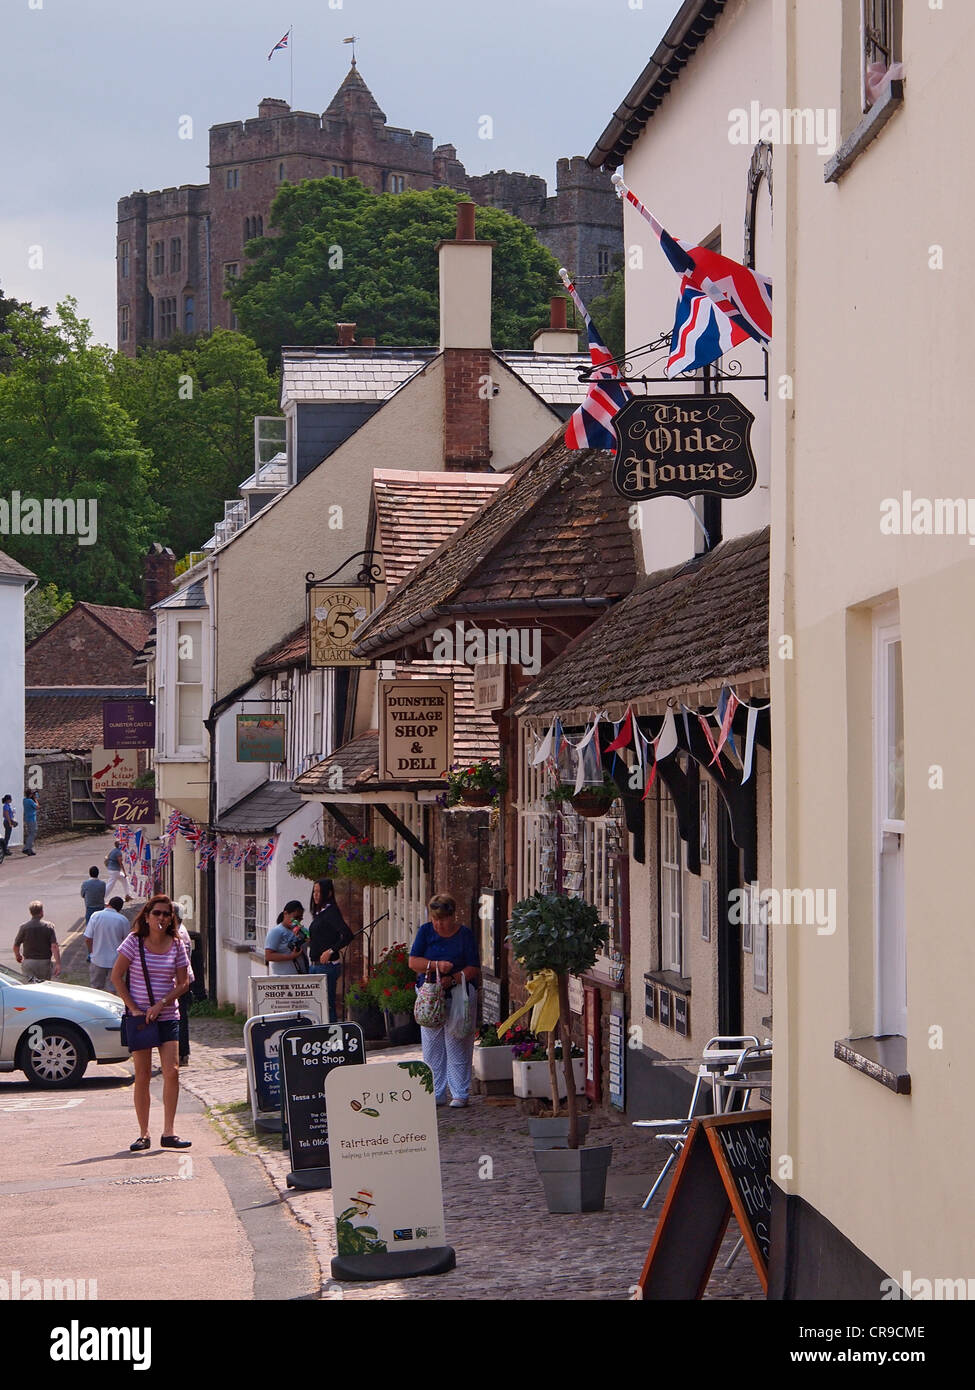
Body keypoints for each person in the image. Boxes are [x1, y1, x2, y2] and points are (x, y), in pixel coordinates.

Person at [110, 893, 191, 1152]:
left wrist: (162, 1003)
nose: (162, 917)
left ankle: (169, 1132)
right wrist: (134, 1008)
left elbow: (184, 983)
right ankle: (143, 1133)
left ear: (172, 919)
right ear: (147, 916)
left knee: (172, 1071)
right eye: (157, 913)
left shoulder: (176, 944)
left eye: (167, 914)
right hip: (141, 1019)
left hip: (167, 1016)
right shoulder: (134, 942)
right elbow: (116, 976)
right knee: (142, 1075)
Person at [408, 894, 480, 1108]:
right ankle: (435, 1090)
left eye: (443, 919)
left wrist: (453, 979)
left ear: (453, 916)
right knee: (432, 1045)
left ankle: (459, 1092)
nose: (439, 924)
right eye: (435, 919)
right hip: (431, 996)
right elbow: (413, 961)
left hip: (459, 995)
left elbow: (473, 967)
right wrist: (436, 965)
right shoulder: (426, 932)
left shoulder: (464, 935)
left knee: (457, 1041)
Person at [307, 878, 353, 1021]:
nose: (315, 895)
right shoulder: (320, 913)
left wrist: (331, 951)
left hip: (326, 967)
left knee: (328, 1005)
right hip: (314, 966)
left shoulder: (331, 912)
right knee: (317, 1006)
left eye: (319, 892)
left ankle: (332, 1038)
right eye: (314, 891)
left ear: (328, 893)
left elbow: (347, 935)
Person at [84, 896, 130, 992]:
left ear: (108, 904)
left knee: (96, 989)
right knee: (112, 990)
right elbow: (127, 942)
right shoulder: (123, 920)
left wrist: (92, 952)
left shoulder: (95, 916)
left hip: (97, 959)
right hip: (115, 961)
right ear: (120, 909)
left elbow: (88, 938)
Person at [13, 901, 61, 981]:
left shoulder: (24, 927)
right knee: (43, 987)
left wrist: (18, 956)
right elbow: (54, 946)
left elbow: (16, 946)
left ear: (30, 912)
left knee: (30, 987)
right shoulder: (48, 927)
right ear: (42, 912)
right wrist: (58, 963)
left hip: (28, 962)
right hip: (44, 962)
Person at [172, 905, 195, 1066]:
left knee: (178, 1018)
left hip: (180, 982)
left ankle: (181, 1053)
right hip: (182, 980)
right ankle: (181, 1053)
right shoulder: (181, 930)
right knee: (180, 1017)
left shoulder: (178, 934)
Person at [264, 902, 307, 975]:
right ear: (285, 914)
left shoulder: (302, 931)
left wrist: (305, 936)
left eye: (300, 918)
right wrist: (291, 956)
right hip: (283, 976)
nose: (297, 921)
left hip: (301, 974)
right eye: (295, 918)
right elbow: (268, 956)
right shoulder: (276, 932)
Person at [21, 790, 39, 855]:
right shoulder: (30, 801)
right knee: (32, 834)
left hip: (27, 818)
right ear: (30, 794)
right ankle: (26, 848)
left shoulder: (24, 800)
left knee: (30, 834)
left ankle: (30, 850)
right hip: (32, 819)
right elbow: (37, 807)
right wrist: (35, 799)